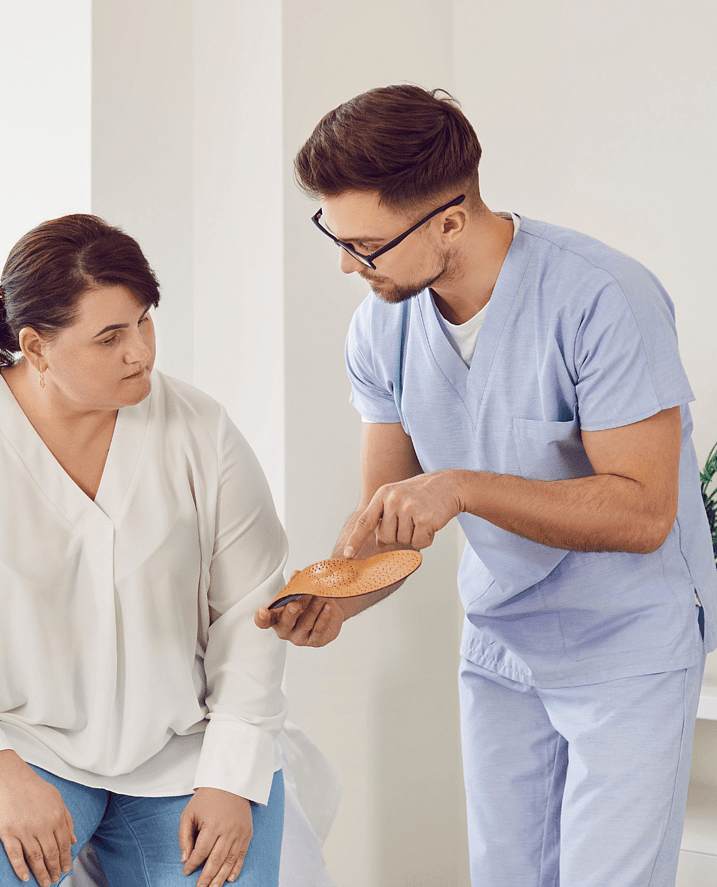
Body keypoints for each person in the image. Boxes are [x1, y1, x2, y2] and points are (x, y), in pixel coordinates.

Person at [255, 84, 717, 887]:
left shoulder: (602, 297)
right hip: (502, 644)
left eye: (366, 245)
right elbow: (386, 521)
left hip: (627, 645)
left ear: (449, 221)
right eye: (336, 236)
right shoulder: (381, 325)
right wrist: (335, 596)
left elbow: (644, 510)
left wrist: (462, 487)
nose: (346, 265)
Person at [0, 214, 288, 887]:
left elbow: (251, 613)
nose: (140, 352)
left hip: (180, 751)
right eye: (109, 337)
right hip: (10, 742)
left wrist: (230, 776)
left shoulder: (202, 431)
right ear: (36, 347)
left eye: (144, 321)